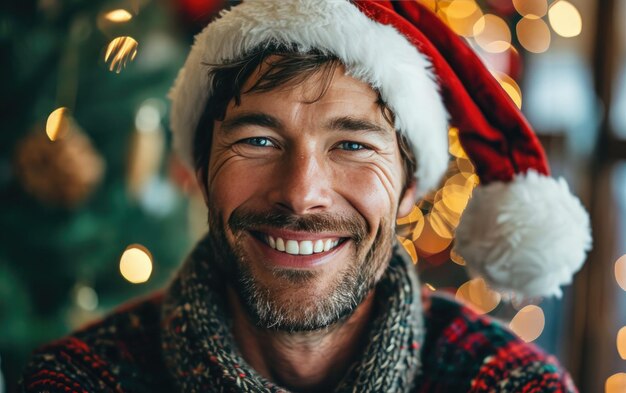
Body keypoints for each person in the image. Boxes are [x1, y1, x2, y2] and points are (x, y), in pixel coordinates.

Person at [19, 1, 592, 392]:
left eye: (352, 145)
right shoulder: (78, 380)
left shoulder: (509, 385)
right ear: (200, 169)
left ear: (411, 189)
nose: (301, 194)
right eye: (259, 140)